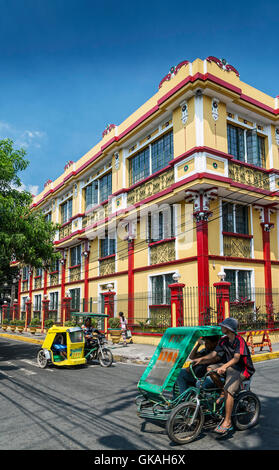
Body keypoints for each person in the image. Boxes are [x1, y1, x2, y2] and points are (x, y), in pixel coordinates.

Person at [192, 317, 255, 436]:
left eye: (223, 326)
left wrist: (224, 367)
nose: (221, 327)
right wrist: (201, 358)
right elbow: (214, 354)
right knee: (210, 369)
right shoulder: (223, 340)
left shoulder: (239, 340)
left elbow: (236, 358)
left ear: (228, 328)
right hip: (229, 367)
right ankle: (222, 390)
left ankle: (228, 421)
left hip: (242, 369)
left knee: (229, 390)